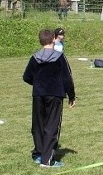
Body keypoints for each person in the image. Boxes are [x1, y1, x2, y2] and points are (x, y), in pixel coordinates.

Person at [23, 28, 77, 167]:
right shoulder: (59, 57)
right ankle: (47, 160)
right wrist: (71, 95)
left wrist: (38, 83)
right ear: (53, 39)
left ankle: (39, 154)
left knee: (38, 125)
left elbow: (27, 77)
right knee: (52, 126)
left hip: (38, 94)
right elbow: (67, 79)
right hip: (55, 94)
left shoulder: (35, 57)